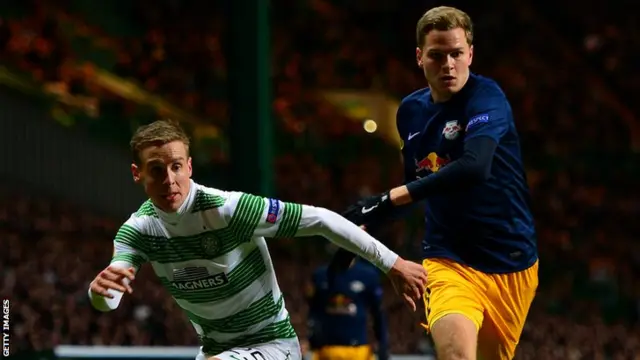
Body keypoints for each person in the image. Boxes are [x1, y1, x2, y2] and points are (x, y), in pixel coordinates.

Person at [87, 120, 428, 360]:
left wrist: (393, 263)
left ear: (190, 167)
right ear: (137, 173)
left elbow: (323, 219)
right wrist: (98, 292)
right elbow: (110, 299)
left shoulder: (229, 209)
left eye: (176, 166)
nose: (169, 179)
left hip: (273, 346)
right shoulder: (137, 231)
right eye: (156, 170)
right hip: (214, 351)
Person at [329, 6, 539, 360]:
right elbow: (415, 185)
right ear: (419, 57)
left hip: (512, 263)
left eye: (457, 54)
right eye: (437, 56)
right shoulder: (410, 112)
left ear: (471, 53)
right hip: (448, 260)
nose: (448, 65)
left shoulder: (488, 98)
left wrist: (387, 198)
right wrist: (361, 235)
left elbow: (475, 167)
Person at [307, 257, 389, 360]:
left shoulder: (368, 275)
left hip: (358, 351)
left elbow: (378, 313)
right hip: (326, 351)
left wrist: (383, 345)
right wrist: (311, 340)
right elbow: (314, 312)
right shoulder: (320, 275)